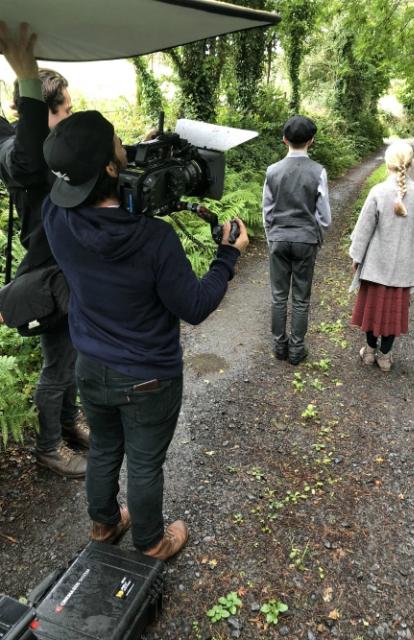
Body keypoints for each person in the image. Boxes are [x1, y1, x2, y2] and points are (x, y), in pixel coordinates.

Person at [41, 110, 249, 560]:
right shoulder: (153, 239)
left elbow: (91, 189)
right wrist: (228, 257)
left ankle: (104, 524)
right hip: (148, 377)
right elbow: (194, 306)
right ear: (112, 168)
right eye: (119, 142)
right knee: (144, 462)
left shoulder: (55, 215)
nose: (124, 145)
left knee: (104, 449)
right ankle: (153, 542)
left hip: (90, 365)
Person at [0, 22, 88, 477]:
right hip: (47, 277)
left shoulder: (54, 148)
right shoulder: (19, 151)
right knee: (58, 364)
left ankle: (69, 424)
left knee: (70, 357)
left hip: (66, 272)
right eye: (65, 110)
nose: (71, 117)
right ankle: (49, 448)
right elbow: (28, 159)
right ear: (44, 111)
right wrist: (26, 78)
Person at [349, 140, 414, 372]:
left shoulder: (378, 191)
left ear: (387, 162)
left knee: (372, 310)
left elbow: (364, 229)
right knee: (393, 313)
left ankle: (370, 353)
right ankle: (385, 357)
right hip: (403, 269)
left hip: (376, 266)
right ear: (411, 163)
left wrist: (357, 257)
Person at [263, 114, 331, 365]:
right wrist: (317, 239)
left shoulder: (272, 171)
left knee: (278, 296)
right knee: (301, 297)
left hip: (279, 238)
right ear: (311, 141)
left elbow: (267, 211)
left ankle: (279, 346)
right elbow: (323, 216)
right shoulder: (318, 172)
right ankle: (296, 349)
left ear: (284, 140)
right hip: (305, 239)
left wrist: (272, 237)